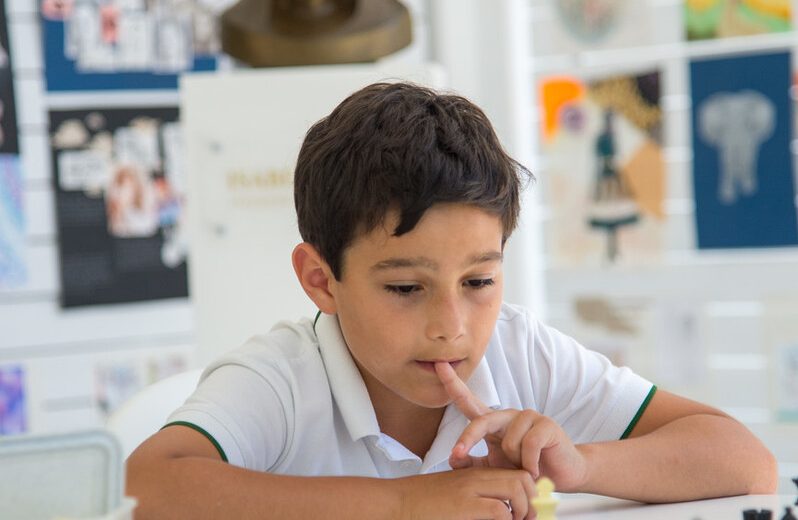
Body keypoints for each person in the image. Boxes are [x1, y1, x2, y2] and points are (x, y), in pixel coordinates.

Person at [126, 82, 777, 519]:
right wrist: (406, 504)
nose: (452, 328)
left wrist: (579, 465)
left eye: (478, 282)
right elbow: (145, 486)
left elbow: (746, 462)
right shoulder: (281, 381)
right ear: (322, 280)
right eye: (406, 288)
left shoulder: (522, 350)